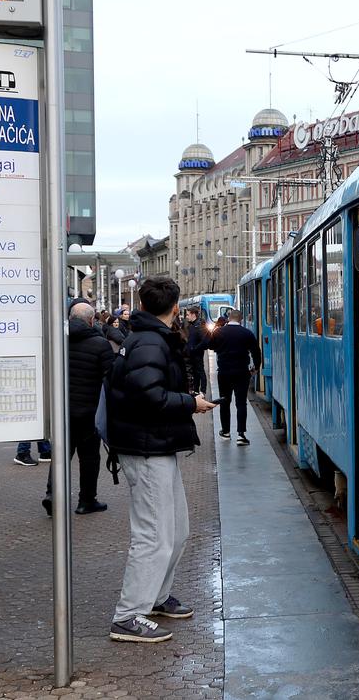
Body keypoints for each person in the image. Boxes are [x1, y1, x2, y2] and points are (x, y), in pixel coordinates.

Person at [106, 276, 216, 643]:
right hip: (146, 447)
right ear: (174, 308)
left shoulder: (145, 337)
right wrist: (191, 403)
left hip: (156, 445)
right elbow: (148, 396)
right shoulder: (150, 342)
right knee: (153, 536)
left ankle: (155, 596)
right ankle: (127, 616)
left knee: (176, 530)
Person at [42, 302, 114, 516]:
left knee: (61, 455)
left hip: (62, 410)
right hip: (89, 411)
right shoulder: (100, 344)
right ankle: (86, 500)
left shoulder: (57, 341)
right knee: (90, 457)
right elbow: (110, 378)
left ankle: (52, 495)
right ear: (92, 320)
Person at [208, 309, 262, 446]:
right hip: (241, 372)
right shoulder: (247, 333)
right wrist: (256, 367)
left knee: (224, 401)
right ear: (241, 320)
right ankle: (241, 435)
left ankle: (225, 432)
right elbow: (256, 352)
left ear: (228, 318)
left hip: (224, 372)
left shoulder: (219, 332)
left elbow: (211, 345)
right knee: (241, 403)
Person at [183, 307, 210, 395]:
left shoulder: (199, 325)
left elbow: (205, 342)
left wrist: (195, 348)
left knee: (200, 371)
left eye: (188, 315)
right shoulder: (192, 325)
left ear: (193, 314)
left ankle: (203, 391)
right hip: (192, 354)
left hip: (197, 354)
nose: (187, 317)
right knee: (195, 372)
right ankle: (196, 390)